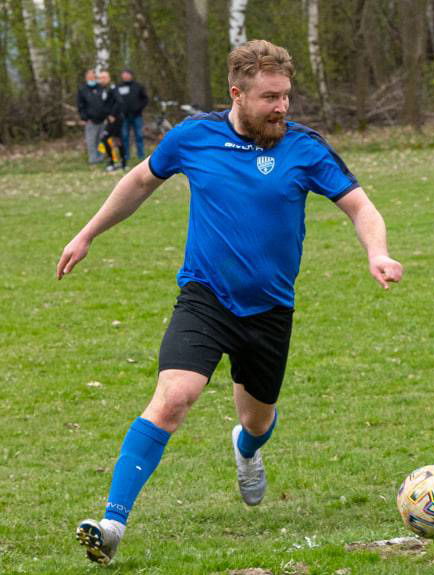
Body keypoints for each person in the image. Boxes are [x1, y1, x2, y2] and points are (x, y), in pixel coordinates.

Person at [58, 39, 403, 565]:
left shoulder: (305, 147)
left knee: (258, 420)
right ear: (237, 94)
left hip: (268, 310)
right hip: (205, 298)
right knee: (174, 397)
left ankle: (245, 449)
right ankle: (111, 524)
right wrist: (87, 235)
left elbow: (360, 207)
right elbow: (139, 181)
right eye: (270, 97)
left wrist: (377, 252)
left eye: (286, 96)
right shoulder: (195, 137)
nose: (282, 107)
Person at [76, 69, 112, 164]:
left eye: (93, 76)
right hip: (90, 120)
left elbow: (107, 102)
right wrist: (84, 117)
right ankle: (93, 159)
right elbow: (80, 105)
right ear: (86, 77)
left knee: (102, 140)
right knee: (91, 141)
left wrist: (108, 115)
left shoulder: (102, 88)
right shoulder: (82, 89)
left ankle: (102, 157)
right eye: (89, 76)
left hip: (103, 119)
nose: (91, 78)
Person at [116, 69, 149, 162]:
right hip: (124, 117)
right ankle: (126, 156)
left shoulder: (138, 86)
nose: (125, 76)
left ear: (131, 75)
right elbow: (115, 100)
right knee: (124, 136)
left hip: (137, 116)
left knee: (139, 135)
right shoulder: (118, 87)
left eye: (127, 74)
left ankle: (141, 155)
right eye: (124, 74)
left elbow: (145, 99)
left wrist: (139, 108)